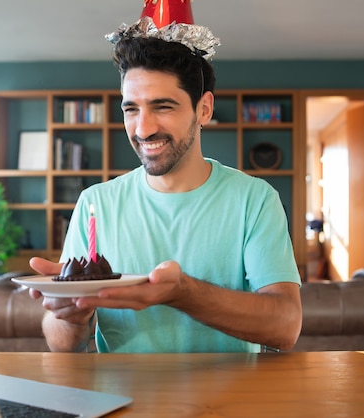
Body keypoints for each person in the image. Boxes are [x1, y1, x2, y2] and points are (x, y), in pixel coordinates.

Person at [28, 14, 302, 354]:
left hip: (230, 401)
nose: (143, 129)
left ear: (203, 110)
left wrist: (184, 293)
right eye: (131, 109)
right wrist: (69, 316)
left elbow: (285, 325)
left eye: (162, 107)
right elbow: (62, 345)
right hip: (123, 401)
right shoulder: (95, 202)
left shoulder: (254, 199)